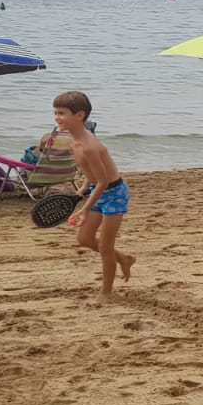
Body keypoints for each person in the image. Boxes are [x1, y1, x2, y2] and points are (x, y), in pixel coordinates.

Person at [52, 92, 136, 299]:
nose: (57, 117)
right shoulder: (74, 142)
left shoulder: (90, 146)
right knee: (84, 238)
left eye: (61, 113)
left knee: (106, 246)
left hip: (114, 193)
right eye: (55, 113)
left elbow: (104, 181)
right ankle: (124, 258)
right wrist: (82, 189)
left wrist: (85, 208)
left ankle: (106, 293)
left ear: (80, 115)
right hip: (98, 190)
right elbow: (91, 175)